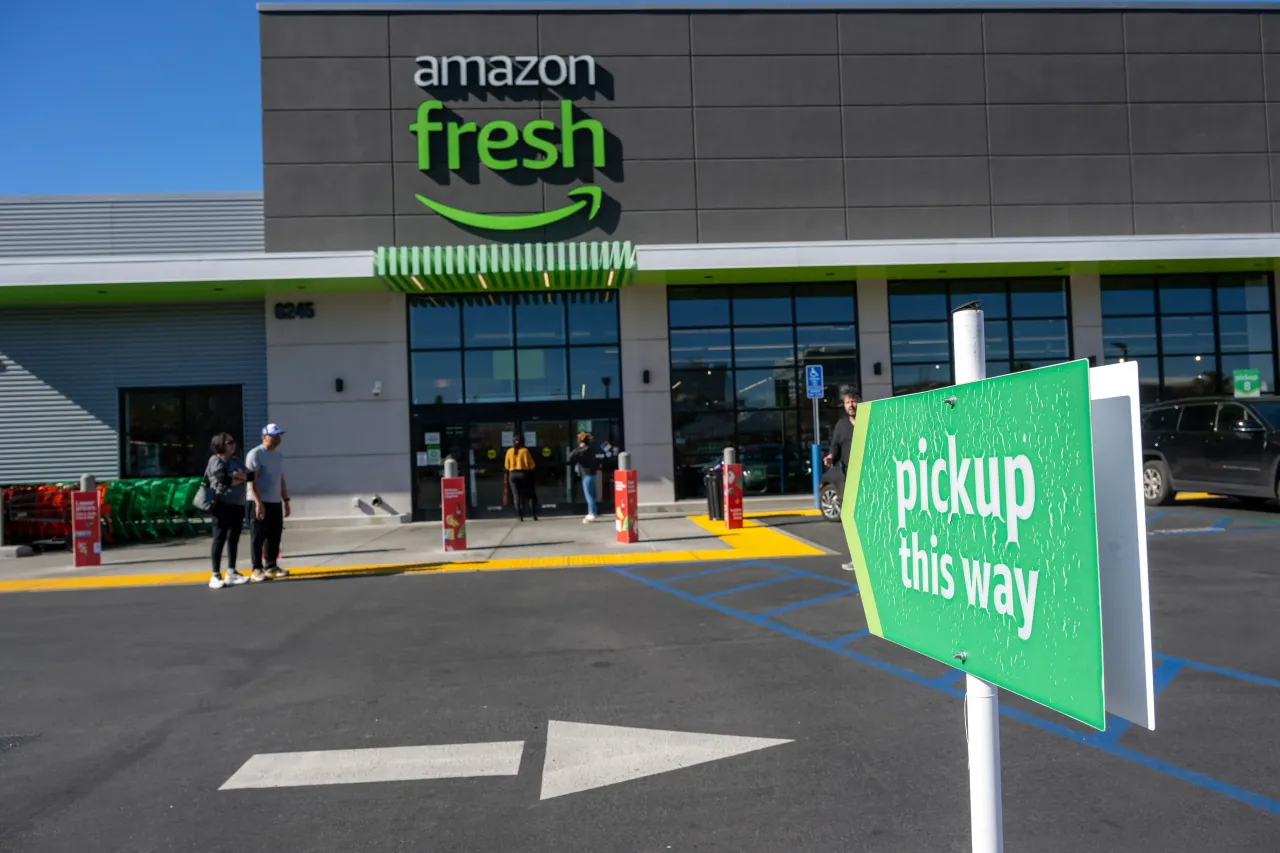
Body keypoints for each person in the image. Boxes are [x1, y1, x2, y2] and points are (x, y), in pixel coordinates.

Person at [246, 423, 291, 582]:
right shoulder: (255, 454)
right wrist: (258, 503)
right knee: (258, 535)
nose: (278, 439)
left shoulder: (278, 455)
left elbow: (281, 478)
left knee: (274, 534)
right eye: (274, 436)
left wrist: (285, 499)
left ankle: (271, 565)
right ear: (264, 437)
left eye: (279, 435)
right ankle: (256, 568)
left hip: (274, 500)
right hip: (258, 501)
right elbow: (251, 481)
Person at [205, 433, 250, 589]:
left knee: (234, 537)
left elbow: (251, 476)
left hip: (237, 504)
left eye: (233, 442)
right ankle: (215, 575)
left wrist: (235, 476)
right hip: (221, 504)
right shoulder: (215, 460)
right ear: (220, 445)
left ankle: (231, 571)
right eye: (229, 442)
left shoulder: (236, 460)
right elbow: (223, 479)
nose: (233, 445)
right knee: (219, 537)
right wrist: (238, 477)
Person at [822, 388, 860, 571]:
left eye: (853, 401)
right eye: (847, 402)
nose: (851, 405)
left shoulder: (868, 420)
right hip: (848, 477)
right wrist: (830, 456)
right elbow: (835, 447)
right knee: (850, 518)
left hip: (869, 475)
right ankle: (856, 558)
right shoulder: (841, 425)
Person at [568, 431, 601, 523]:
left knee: (589, 495)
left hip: (587, 475)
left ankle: (591, 514)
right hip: (592, 474)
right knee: (592, 494)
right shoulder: (591, 449)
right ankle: (593, 513)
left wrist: (580, 447)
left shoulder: (585, 449)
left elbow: (572, 454)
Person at [504, 437, 538, 521]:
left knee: (516, 496)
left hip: (512, 475)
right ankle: (533, 515)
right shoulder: (525, 451)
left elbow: (506, 466)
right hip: (523, 474)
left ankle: (520, 516)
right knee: (530, 495)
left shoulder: (509, 451)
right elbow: (532, 465)